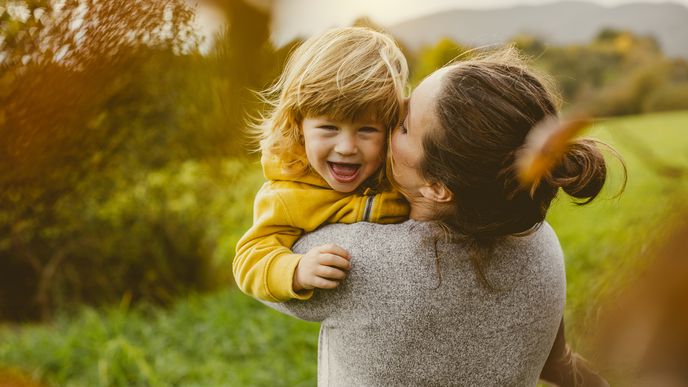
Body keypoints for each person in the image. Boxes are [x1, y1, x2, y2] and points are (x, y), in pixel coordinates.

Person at [263, 49, 615, 386]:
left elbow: (263, 257)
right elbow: (558, 365)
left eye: (402, 126)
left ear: (437, 187)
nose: (386, 120)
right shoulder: (540, 243)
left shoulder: (350, 259)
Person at [233, 27, 409, 303]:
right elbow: (249, 258)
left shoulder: (399, 170)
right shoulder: (288, 194)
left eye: (367, 130)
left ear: (389, 130)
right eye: (329, 128)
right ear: (298, 126)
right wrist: (296, 270)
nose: (347, 147)